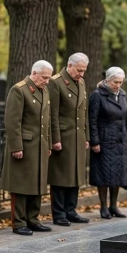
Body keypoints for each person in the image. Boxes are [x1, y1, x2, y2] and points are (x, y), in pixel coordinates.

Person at [1, 60, 55, 236]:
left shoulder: (44, 90)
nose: (47, 81)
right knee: (21, 184)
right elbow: (12, 121)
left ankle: (33, 219)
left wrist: (48, 143)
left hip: (40, 146)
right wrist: (16, 146)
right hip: (24, 145)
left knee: (37, 183)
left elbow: (46, 121)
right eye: (44, 77)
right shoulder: (19, 90)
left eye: (48, 77)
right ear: (34, 73)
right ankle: (18, 222)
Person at [48, 53, 90, 226]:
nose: (81, 74)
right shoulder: (56, 82)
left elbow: (83, 113)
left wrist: (86, 136)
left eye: (84, 71)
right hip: (63, 137)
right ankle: (59, 213)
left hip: (78, 136)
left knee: (75, 174)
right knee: (60, 176)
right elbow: (53, 114)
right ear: (69, 65)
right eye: (79, 70)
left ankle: (70, 210)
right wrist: (55, 139)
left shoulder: (81, 82)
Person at [89, 67, 127, 219]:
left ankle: (114, 206)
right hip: (105, 140)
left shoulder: (122, 94)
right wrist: (94, 141)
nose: (118, 85)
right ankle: (103, 207)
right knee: (104, 174)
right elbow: (92, 120)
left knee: (118, 175)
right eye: (115, 82)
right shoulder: (97, 95)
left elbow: (126, 119)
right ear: (107, 80)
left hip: (120, 141)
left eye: (120, 82)